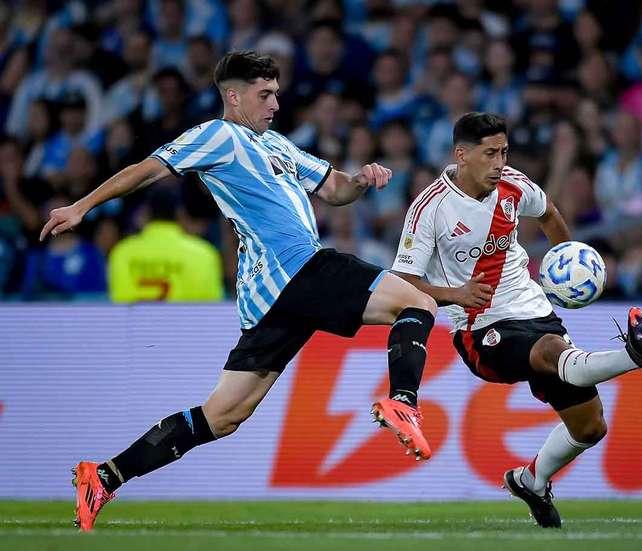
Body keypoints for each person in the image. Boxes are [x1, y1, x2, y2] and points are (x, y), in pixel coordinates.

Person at [40, 52, 437, 531]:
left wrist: (359, 180)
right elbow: (149, 168)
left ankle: (104, 476)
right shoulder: (217, 135)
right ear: (234, 96)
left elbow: (333, 189)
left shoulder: (280, 146)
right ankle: (403, 401)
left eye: (275, 93)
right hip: (295, 268)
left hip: (273, 294)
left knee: (224, 416)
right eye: (264, 94)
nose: (274, 103)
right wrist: (82, 206)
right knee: (418, 302)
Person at [391, 112, 642, 528]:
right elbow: (403, 280)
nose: (500, 162)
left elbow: (549, 212)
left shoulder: (514, 185)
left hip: (536, 311)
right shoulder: (430, 208)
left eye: (504, 151)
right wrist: (456, 294)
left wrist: (569, 261)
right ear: (462, 155)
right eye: (490, 153)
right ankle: (634, 354)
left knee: (591, 427)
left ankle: (531, 481)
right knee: (553, 353)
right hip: (479, 329)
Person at [108, 186, 224, 302]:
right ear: (180, 212)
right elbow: (212, 307)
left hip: (136, 320)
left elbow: (117, 302)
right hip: (185, 320)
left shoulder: (122, 252)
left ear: (147, 212)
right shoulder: (204, 254)